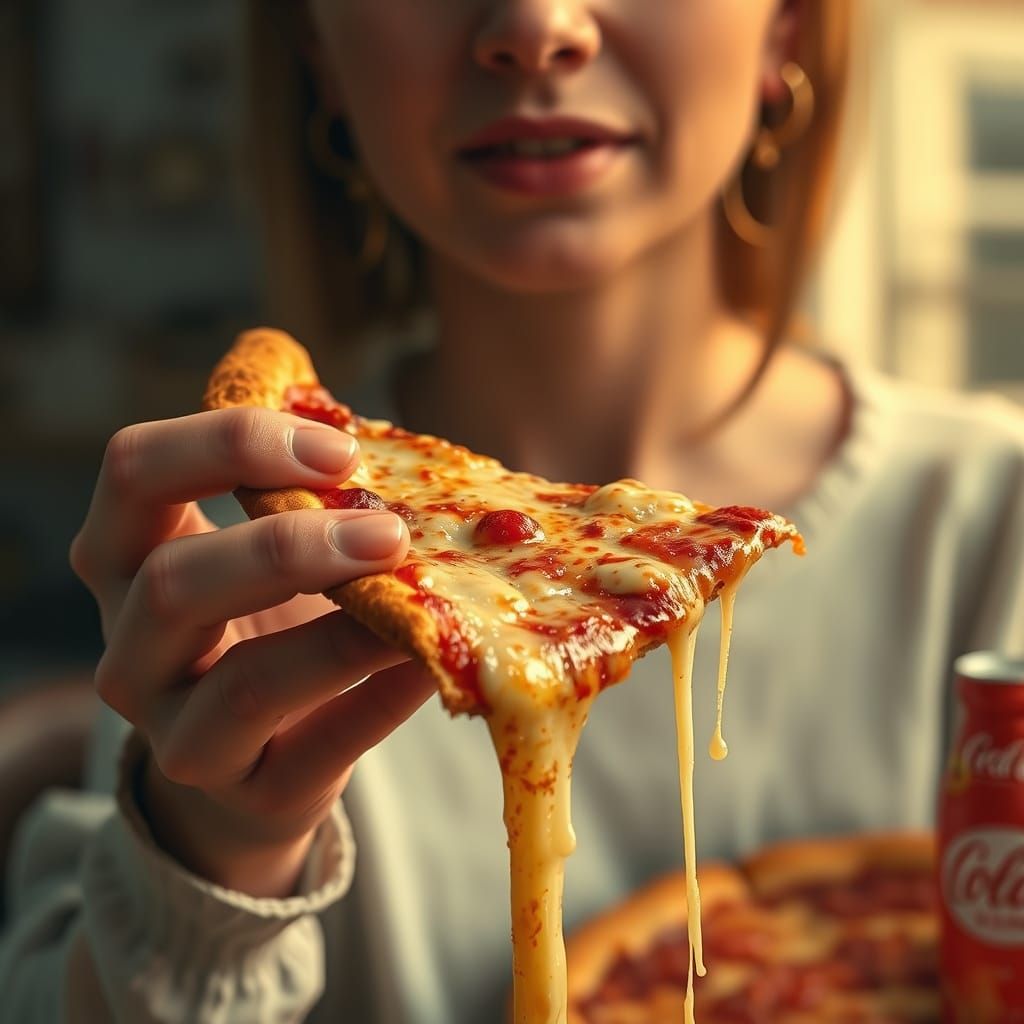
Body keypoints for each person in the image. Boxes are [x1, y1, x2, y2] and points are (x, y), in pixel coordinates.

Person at [2, 1, 1022, 1021]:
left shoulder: (994, 514)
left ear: (787, 25)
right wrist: (208, 862)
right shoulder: (239, 572)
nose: (535, 25)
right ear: (317, 39)